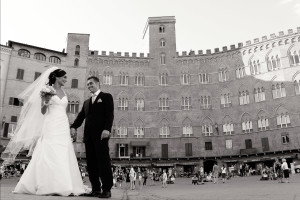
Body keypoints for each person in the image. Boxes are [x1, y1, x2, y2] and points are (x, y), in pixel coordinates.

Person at [1, 67, 86, 196]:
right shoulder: (47, 90)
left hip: (62, 123)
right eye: (64, 77)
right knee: (49, 149)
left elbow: (64, 110)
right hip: (51, 123)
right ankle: (47, 183)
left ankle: (65, 183)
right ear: (57, 77)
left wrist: (69, 126)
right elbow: (42, 111)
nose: (66, 80)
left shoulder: (64, 92)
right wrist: (46, 102)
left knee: (63, 150)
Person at [71, 76, 114, 198]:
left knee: (103, 162)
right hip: (88, 137)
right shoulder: (86, 102)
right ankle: (96, 189)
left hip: (101, 136)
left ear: (98, 83)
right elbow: (80, 117)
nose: (89, 86)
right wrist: (73, 126)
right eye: (88, 84)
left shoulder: (106, 97)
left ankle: (106, 189)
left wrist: (107, 129)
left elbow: (109, 114)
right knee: (91, 164)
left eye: (91, 84)